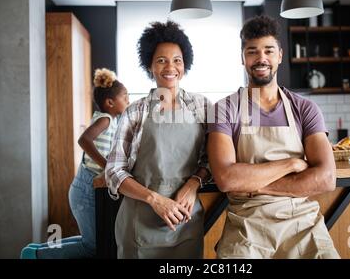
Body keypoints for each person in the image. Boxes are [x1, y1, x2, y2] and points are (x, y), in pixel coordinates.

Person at [207, 15, 340, 259]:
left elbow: (326, 179)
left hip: (301, 221)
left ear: (279, 55)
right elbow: (226, 179)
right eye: (252, 51)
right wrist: (291, 165)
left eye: (268, 50)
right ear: (242, 58)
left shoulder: (305, 109)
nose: (261, 58)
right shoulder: (224, 109)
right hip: (247, 223)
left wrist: (253, 185)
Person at [105, 21, 211, 259]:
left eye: (177, 60)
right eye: (161, 60)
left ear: (185, 65)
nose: (170, 67)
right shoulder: (135, 112)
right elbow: (113, 171)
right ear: (150, 66)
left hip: (186, 223)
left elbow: (211, 159)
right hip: (139, 225)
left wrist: (194, 183)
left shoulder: (202, 107)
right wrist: (153, 198)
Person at [21, 68, 129, 259]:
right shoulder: (105, 120)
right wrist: (107, 165)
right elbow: (84, 140)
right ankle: (36, 255)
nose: (128, 101)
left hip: (85, 186)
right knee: (92, 246)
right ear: (110, 102)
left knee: (91, 241)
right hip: (86, 188)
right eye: (125, 97)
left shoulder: (111, 120)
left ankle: (35, 250)